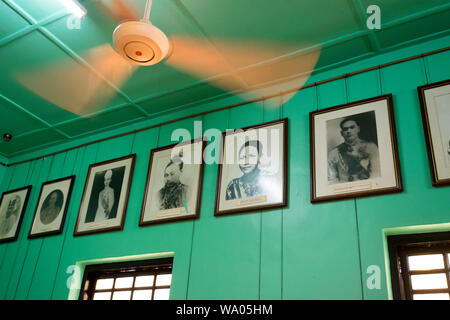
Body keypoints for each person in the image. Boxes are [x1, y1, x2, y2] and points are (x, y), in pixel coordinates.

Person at [328, 117, 380, 184]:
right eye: (345, 129)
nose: (349, 131)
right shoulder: (334, 152)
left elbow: (377, 172)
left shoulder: (371, 147)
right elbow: (332, 179)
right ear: (342, 133)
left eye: (352, 127)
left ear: (358, 129)